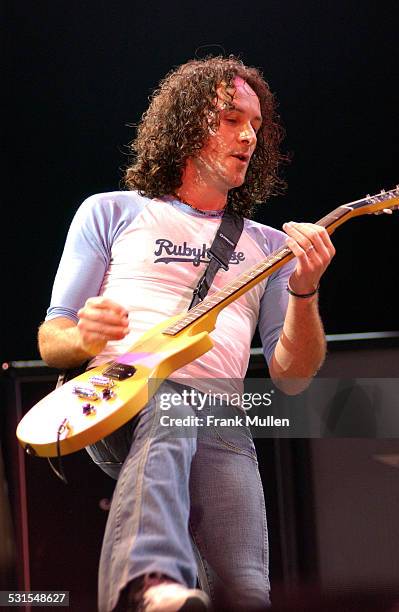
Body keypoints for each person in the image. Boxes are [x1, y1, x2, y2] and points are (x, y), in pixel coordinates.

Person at [38, 56, 335, 612]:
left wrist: (305, 290)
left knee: (245, 590)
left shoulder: (269, 248)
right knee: (170, 406)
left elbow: (292, 380)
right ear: (183, 125)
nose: (247, 134)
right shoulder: (111, 211)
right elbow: (52, 337)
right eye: (229, 118)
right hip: (121, 395)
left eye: (256, 124)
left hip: (223, 417)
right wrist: (82, 339)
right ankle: (148, 584)